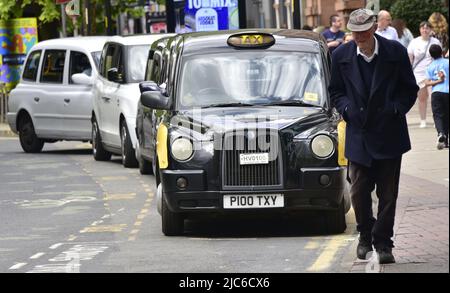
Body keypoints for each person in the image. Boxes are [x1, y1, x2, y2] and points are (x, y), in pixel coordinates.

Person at [329, 8, 418, 264]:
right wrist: (345, 109)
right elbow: (336, 91)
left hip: (388, 132)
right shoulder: (341, 55)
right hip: (359, 132)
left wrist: (395, 109)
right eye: (354, 32)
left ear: (373, 29)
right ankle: (365, 234)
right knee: (358, 191)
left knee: (388, 194)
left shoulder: (395, 51)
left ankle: (383, 242)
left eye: (363, 32)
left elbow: (408, 89)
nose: (359, 37)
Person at [408, 21, 441, 128]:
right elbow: (410, 58)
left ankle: (437, 119)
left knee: (434, 98)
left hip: (433, 73)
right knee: (422, 98)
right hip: (418, 74)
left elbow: (440, 58)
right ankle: (423, 120)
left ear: (431, 30)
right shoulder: (414, 42)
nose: (425, 30)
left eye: (427, 28)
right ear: (420, 30)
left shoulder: (435, 41)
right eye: (423, 28)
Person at [425, 44, 449, 149]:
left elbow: (426, 83)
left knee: (438, 115)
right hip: (448, 91)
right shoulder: (447, 62)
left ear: (431, 55)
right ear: (441, 52)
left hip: (436, 93)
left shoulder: (430, 66)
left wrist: (438, 81)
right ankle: (446, 141)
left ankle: (441, 133)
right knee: (447, 116)